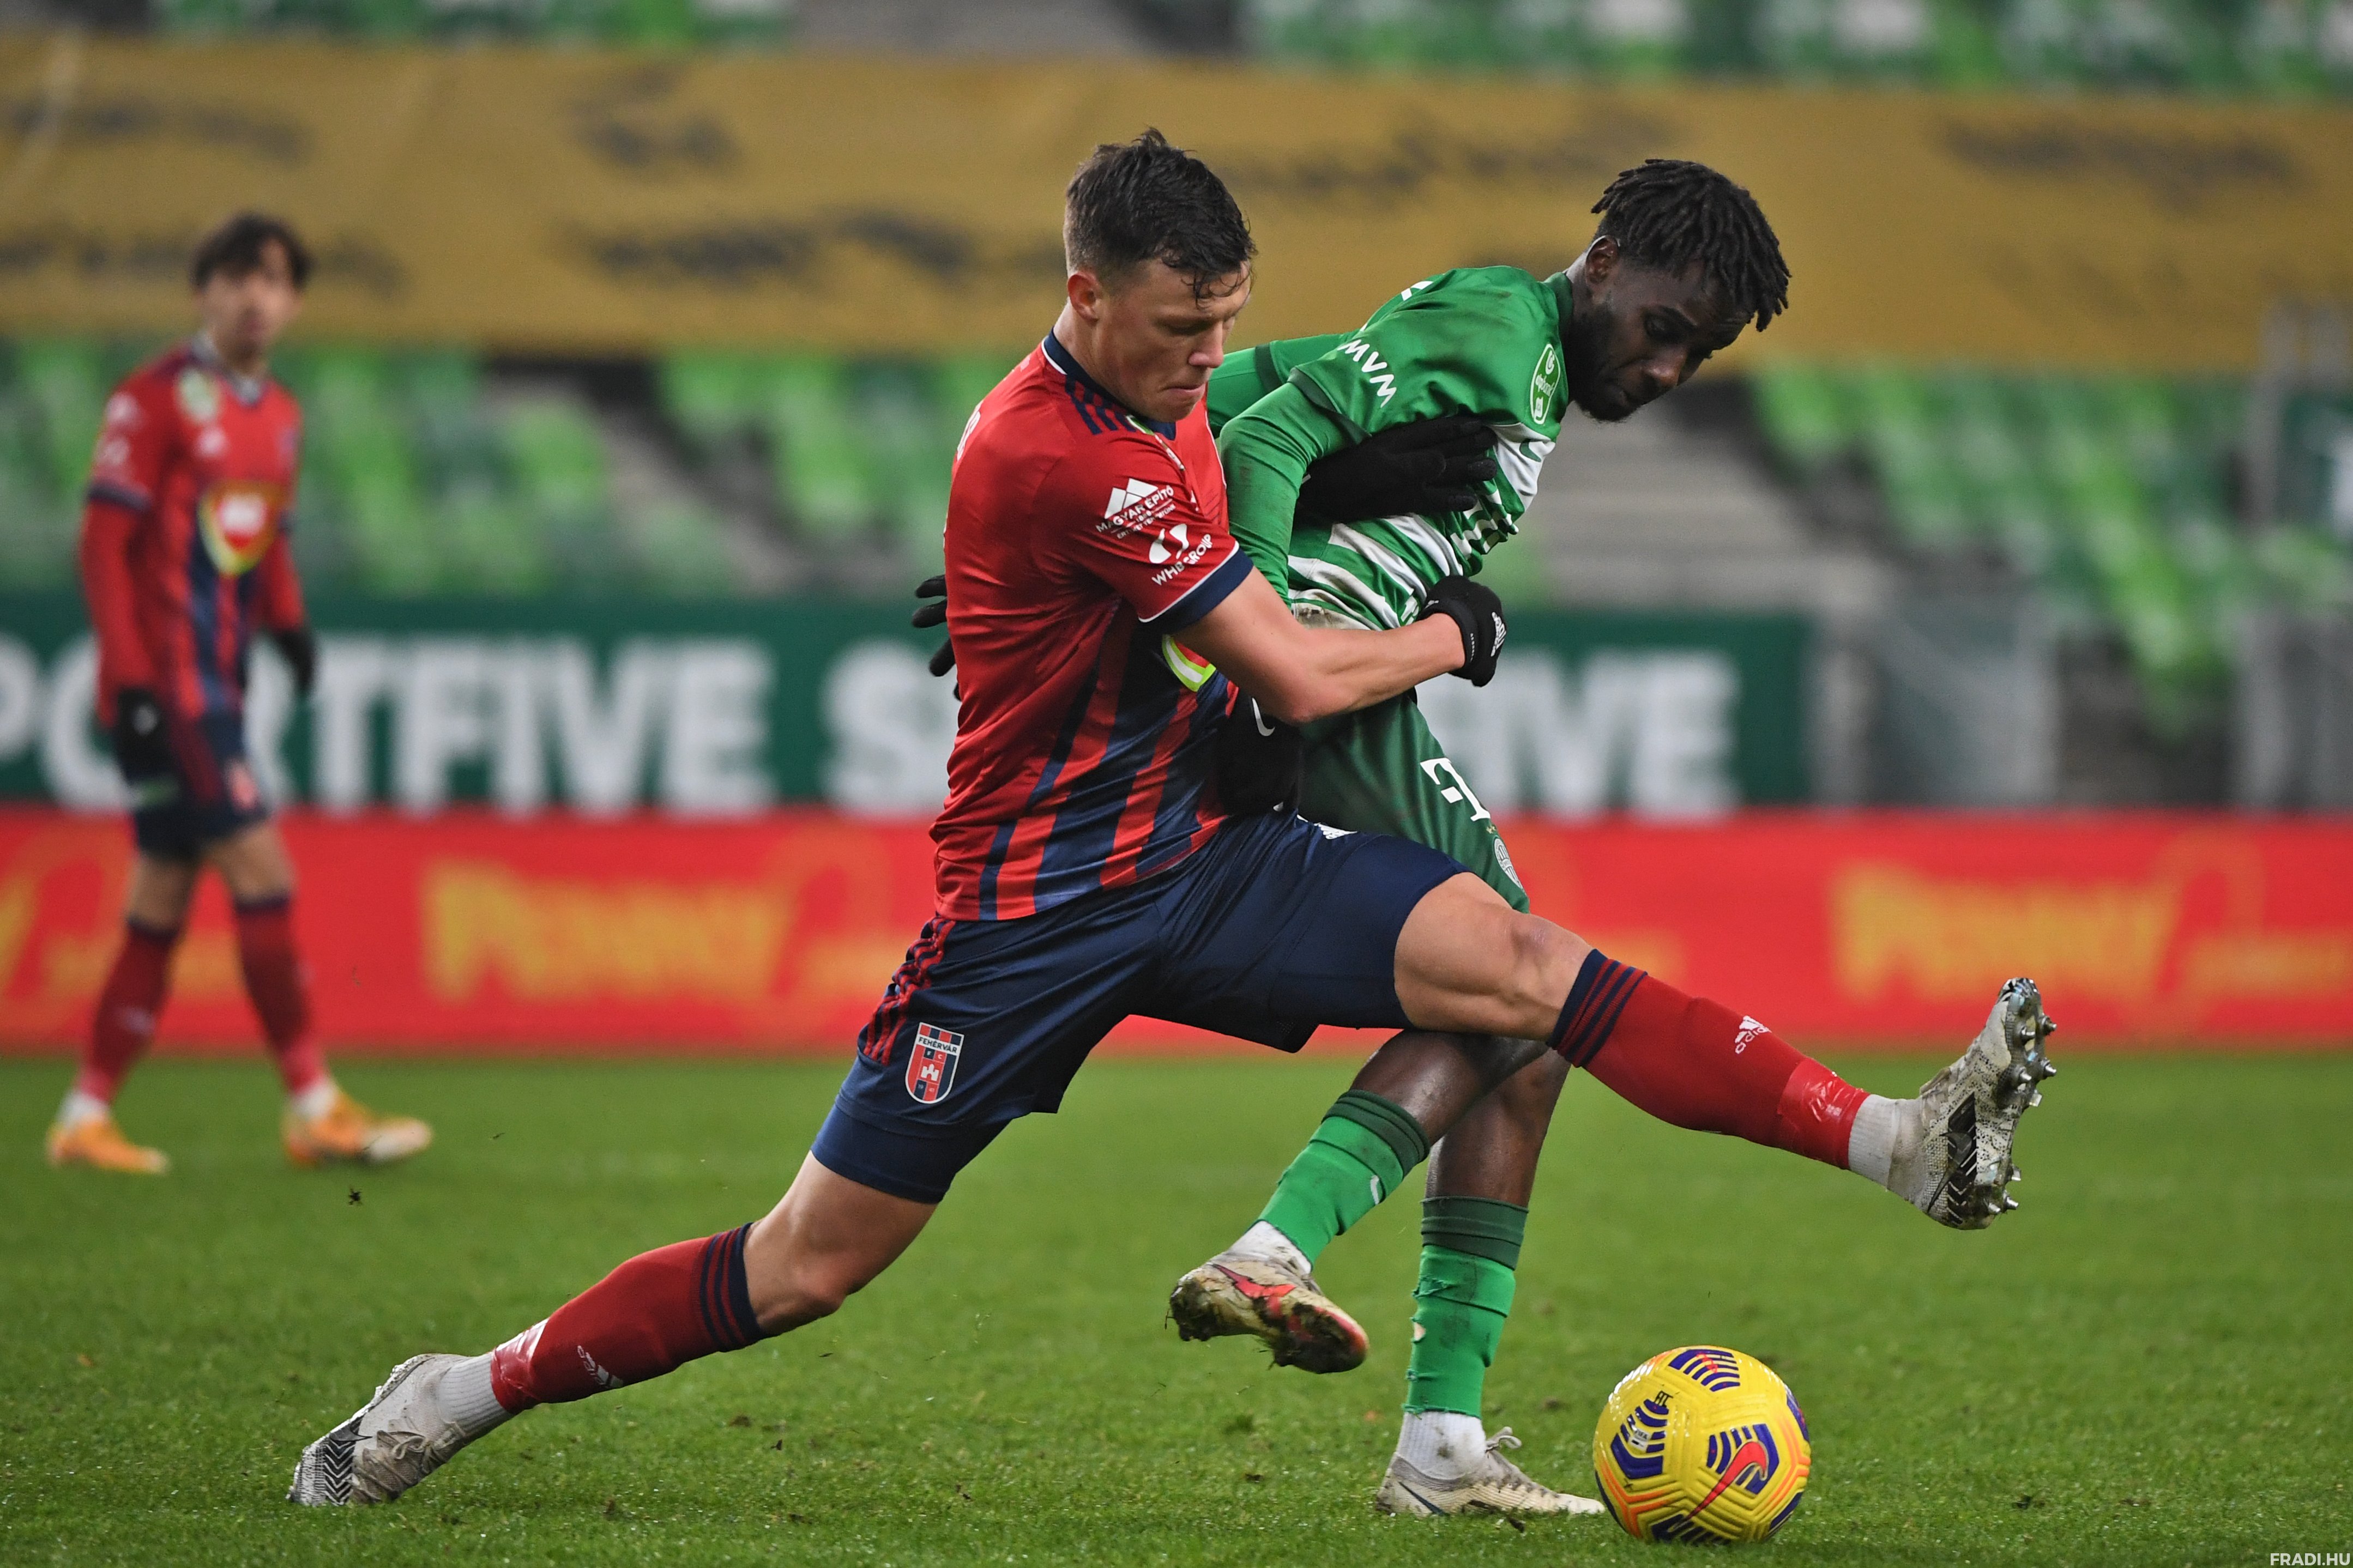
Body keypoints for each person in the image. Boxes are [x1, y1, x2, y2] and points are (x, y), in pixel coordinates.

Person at [285, 132, 2045, 1514]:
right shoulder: (1068, 456)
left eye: (1222, 322)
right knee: (806, 1262)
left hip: (1202, 857)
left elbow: (1278, 399)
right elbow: (1289, 672)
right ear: (1085, 294)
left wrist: (1304, 449)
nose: (1208, 357)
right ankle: (465, 1383)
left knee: (1520, 969)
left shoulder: (1164, 400)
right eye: (1181, 329)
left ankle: (1891, 1142)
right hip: (1030, 912)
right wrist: (1453, 632)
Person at [1160, 161, 2055, 1516]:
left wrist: (1083, 536)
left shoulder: (1507, 360)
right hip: (1317, 670)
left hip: (1350, 676)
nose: (1670, 367)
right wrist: (1262, 658)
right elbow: (1269, 436)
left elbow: (1228, 394)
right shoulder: (1492, 322)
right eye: (1662, 327)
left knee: (1524, 1033)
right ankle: (1893, 1144)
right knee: (1528, 983)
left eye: (1698, 352)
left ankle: (1439, 1442)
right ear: (1607, 262)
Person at [45, 213, 432, 1176]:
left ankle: (85, 1114)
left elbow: (266, 540)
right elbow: (102, 545)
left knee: (161, 899)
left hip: (219, 680)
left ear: (293, 302)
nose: (255, 296)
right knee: (264, 872)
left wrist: (289, 625)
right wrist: (130, 681)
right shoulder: (153, 400)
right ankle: (313, 1103)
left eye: (274, 280)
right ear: (203, 290)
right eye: (236, 276)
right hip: (172, 691)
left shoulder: (281, 414)